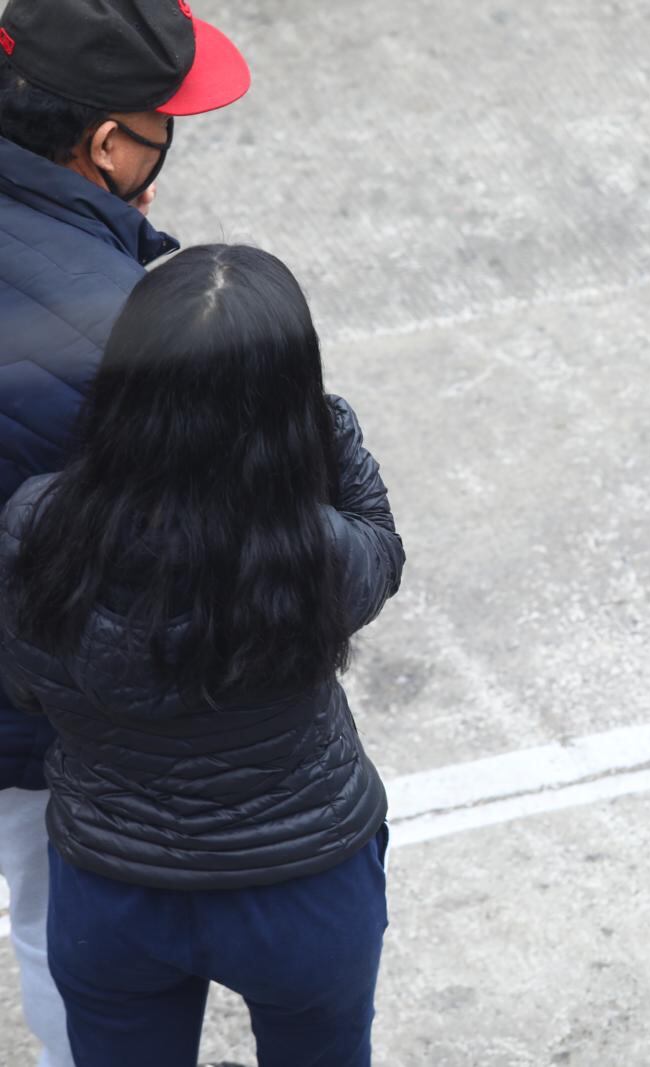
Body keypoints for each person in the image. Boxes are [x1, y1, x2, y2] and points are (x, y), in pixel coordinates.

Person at [0, 244, 402, 1067]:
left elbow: (28, 686)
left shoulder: (39, 526)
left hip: (111, 886)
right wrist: (331, 421)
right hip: (304, 884)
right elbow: (382, 547)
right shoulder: (313, 552)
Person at [0, 2, 249, 1062]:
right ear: (109, 143)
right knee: (79, 939)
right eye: (162, 123)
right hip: (44, 710)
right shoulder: (119, 335)